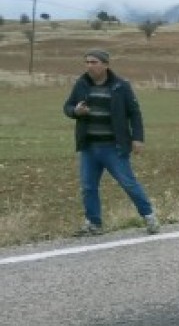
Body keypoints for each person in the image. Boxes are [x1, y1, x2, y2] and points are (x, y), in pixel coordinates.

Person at [63, 49, 160, 236]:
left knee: (128, 183)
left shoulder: (121, 86)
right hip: (89, 147)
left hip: (113, 148)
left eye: (94, 62)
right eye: (87, 62)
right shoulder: (81, 84)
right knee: (88, 187)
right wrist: (75, 111)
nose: (89, 66)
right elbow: (67, 107)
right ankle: (94, 223)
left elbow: (134, 113)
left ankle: (149, 216)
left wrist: (138, 138)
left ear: (106, 65)